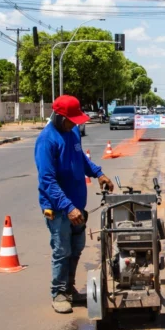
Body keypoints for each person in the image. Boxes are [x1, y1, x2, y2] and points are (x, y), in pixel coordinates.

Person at [35, 95, 114, 314]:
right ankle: (59, 293)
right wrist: (68, 207)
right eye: (72, 119)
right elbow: (47, 180)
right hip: (59, 208)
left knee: (77, 248)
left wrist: (98, 173)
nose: (76, 123)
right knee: (62, 250)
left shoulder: (72, 133)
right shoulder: (47, 140)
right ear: (59, 117)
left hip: (77, 205)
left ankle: (68, 288)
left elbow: (81, 160)